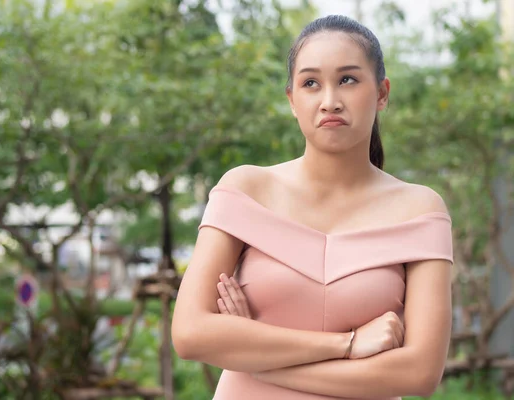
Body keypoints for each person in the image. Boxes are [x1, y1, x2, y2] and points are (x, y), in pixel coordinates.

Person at [171, 14, 453, 400]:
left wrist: (258, 361)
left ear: (382, 93)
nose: (330, 101)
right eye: (310, 83)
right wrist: (348, 344)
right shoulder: (245, 189)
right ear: (292, 100)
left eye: (348, 80)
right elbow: (189, 333)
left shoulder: (420, 209)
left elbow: (420, 373)